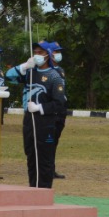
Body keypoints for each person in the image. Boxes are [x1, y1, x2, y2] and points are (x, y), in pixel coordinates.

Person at [6, 41, 68, 188]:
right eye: (35, 52)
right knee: (31, 154)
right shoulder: (30, 72)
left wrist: (40, 108)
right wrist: (24, 66)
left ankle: (44, 190)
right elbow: (9, 76)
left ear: (47, 54)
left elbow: (59, 102)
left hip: (45, 120)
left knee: (44, 157)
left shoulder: (54, 76)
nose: (37, 56)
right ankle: (32, 188)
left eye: (40, 52)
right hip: (29, 118)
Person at [45, 40, 67, 179]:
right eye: (55, 52)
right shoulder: (49, 71)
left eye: (59, 52)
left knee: (55, 142)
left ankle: (51, 169)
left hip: (61, 110)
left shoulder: (60, 70)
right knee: (49, 142)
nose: (58, 54)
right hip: (52, 111)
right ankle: (47, 170)